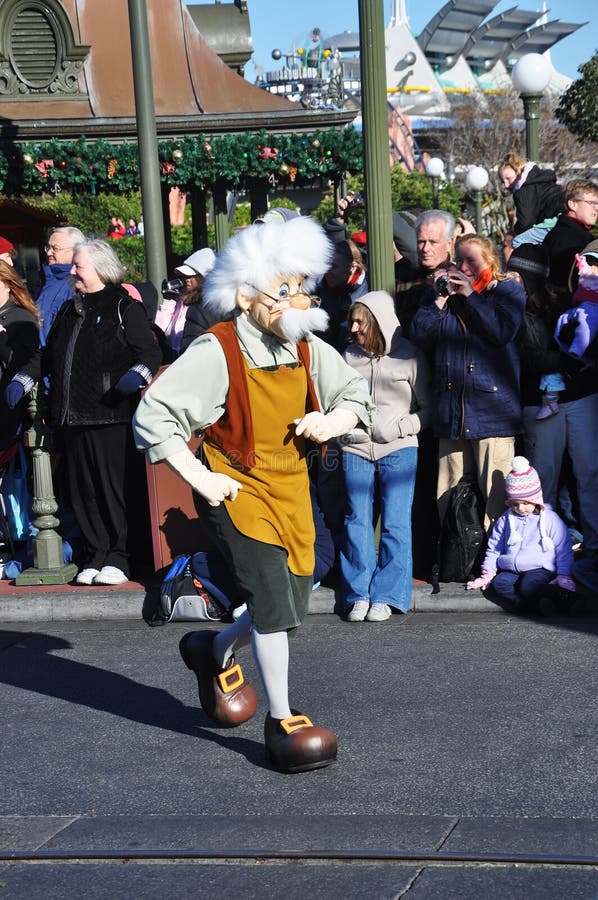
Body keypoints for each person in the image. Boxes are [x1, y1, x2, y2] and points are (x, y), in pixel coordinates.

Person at [133, 215, 373, 773]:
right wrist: (200, 477)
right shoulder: (216, 350)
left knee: (289, 603)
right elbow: (155, 413)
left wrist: (333, 421)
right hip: (235, 490)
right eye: (283, 290)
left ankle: (213, 651)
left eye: (302, 289)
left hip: (292, 487)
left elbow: (356, 396)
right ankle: (283, 720)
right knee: (269, 596)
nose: (297, 301)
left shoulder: (310, 347)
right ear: (246, 296)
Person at [42, 239, 161, 586]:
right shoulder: (68, 310)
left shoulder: (124, 307)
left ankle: (121, 556)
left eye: (79, 266)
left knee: (113, 490)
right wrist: (23, 375)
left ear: (100, 269)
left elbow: (148, 353)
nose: (73, 272)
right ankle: (97, 552)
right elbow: (49, 355)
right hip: (72, 415)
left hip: (111, 414)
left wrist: (133, 377)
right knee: (84, 492)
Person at [410, 234, 525, 532]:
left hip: (493, 412)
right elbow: (421, 336)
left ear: (490, 261)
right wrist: (438, 299)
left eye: (470, 260)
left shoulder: (507, 290)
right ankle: (458, 563)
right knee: (447, 495)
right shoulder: (445, 293)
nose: (462, 266)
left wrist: (471, 296)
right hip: (452, 414)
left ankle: (497, 565)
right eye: (458, 259)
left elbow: (501, 331)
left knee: (497, 498)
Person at [340, 291, 431, 622]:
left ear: (377, 323)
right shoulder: (347, 357)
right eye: (352, 321)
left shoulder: (410, 357)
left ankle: (389, 595)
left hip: (399, 447)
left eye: (359, 322)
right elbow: (334, 400)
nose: (353, 328)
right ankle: (358, 594)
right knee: (356, 521)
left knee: (394, 521)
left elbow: (429, 410)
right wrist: (344, 431)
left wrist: (401, 427)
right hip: (355, 446)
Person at [466, 456, 575, 615]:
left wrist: (564, 573)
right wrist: (488, 572)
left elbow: (563, 546)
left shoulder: (549, 518)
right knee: (500, 584)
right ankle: (529, 606)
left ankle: (563, 597)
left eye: (525, 503)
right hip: (511, 568)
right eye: (515, 504)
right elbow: (495, 547)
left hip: (538, 568)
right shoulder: (506, 519)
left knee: (529, 585)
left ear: (536, 499)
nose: (520, 508)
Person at [0, 261, 40, 450]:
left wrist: (1, 339)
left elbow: (23, 365)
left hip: (8, 411)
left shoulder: (21, 318)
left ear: (8, 284)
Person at [155, 248, 217, 357]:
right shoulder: (180, 301)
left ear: (205, 277)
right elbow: (159, 330)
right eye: (185, 275)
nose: (187, 279)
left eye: (192, 275)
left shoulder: (208, 306)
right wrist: (169, 301)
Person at [543, 179, 598, 295]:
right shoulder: (566, 236)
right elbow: (567, 282)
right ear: (572, 204)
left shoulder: (577, 233)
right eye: (592, 203)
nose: (596, 208)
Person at [498, 153, 563, 248]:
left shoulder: (524, 191)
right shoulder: (540, 179)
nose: (506, 185)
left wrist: (515, 231)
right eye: (503, 181)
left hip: (556, 219)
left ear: (518, 171)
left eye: (508, 178)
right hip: (562, 211)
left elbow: (526, 222)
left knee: (516, 241)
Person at [36, 226, 85, 345]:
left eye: (55, 249)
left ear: (75, 251)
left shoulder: (77, 284)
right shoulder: (49, 281)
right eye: (48, 247)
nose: (48, 253)